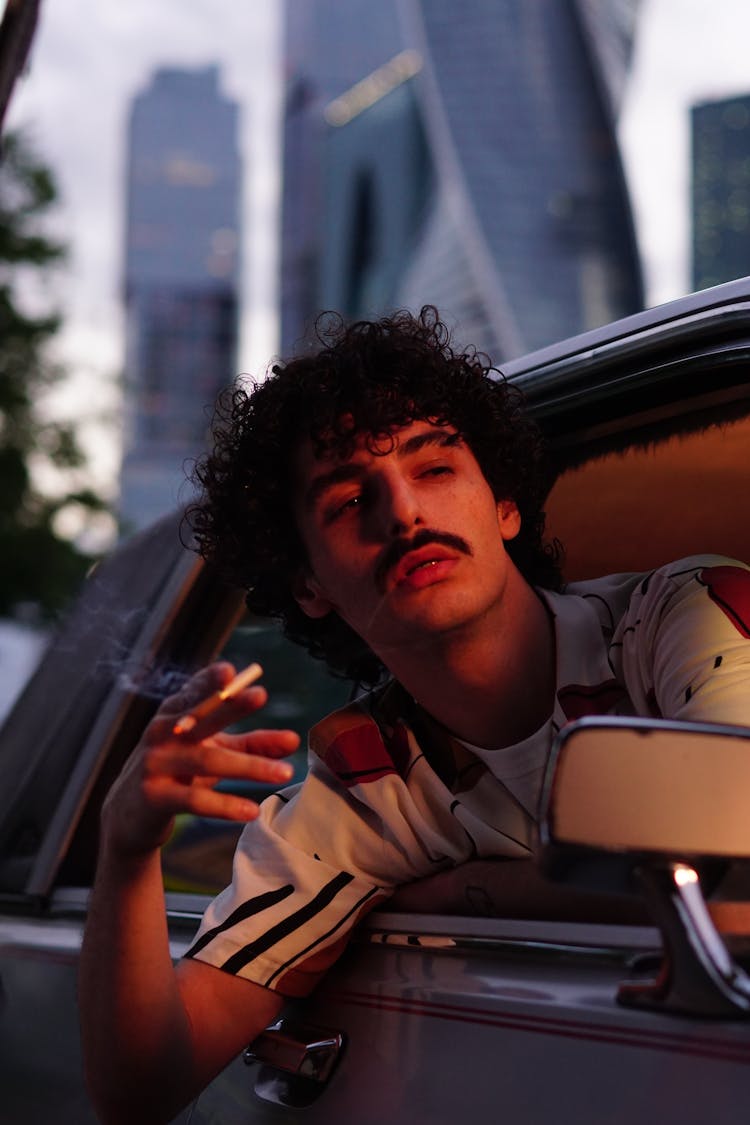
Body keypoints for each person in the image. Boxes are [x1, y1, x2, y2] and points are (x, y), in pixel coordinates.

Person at [80, 307, 750, 1124]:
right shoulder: (365, 791)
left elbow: (736, 872)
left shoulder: (687, 613)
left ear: (503, 504)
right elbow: (143, 1086)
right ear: (310, 585)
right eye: (347, 499)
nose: (402, 513)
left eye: (434, 467)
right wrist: (126, 844)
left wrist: (472, 891)